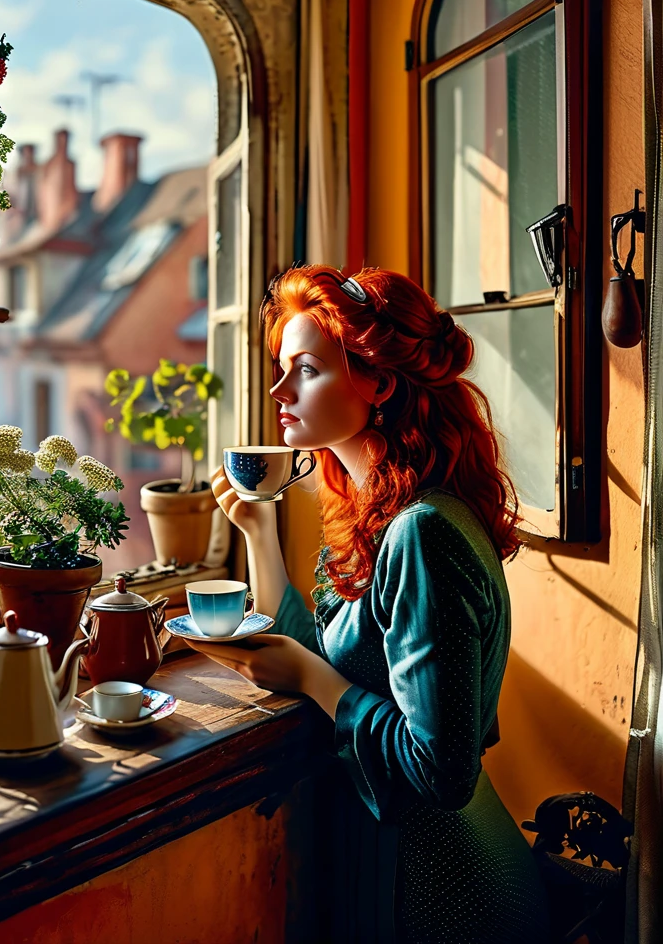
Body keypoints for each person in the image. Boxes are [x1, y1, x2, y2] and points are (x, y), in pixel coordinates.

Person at [184, 265, 550, 943]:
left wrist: (311, 681)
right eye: (280, 367)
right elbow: (330, 657)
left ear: (379, 382)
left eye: (306, 370)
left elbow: (440, 772)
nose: (278, 390)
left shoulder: (421, 531)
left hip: (447, 896)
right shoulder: (377, 515)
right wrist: (260, 537)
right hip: (396, 871)